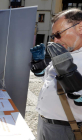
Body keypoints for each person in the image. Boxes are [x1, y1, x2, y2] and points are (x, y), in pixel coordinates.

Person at [33, 8, 82, 140]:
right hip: (44, 123)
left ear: (80, 27)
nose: (55, 40)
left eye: (58, 34)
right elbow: (49, 80)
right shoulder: (63, 53)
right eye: (53, 36)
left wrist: (71, 77)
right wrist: (39, 65)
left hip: (67, 129)